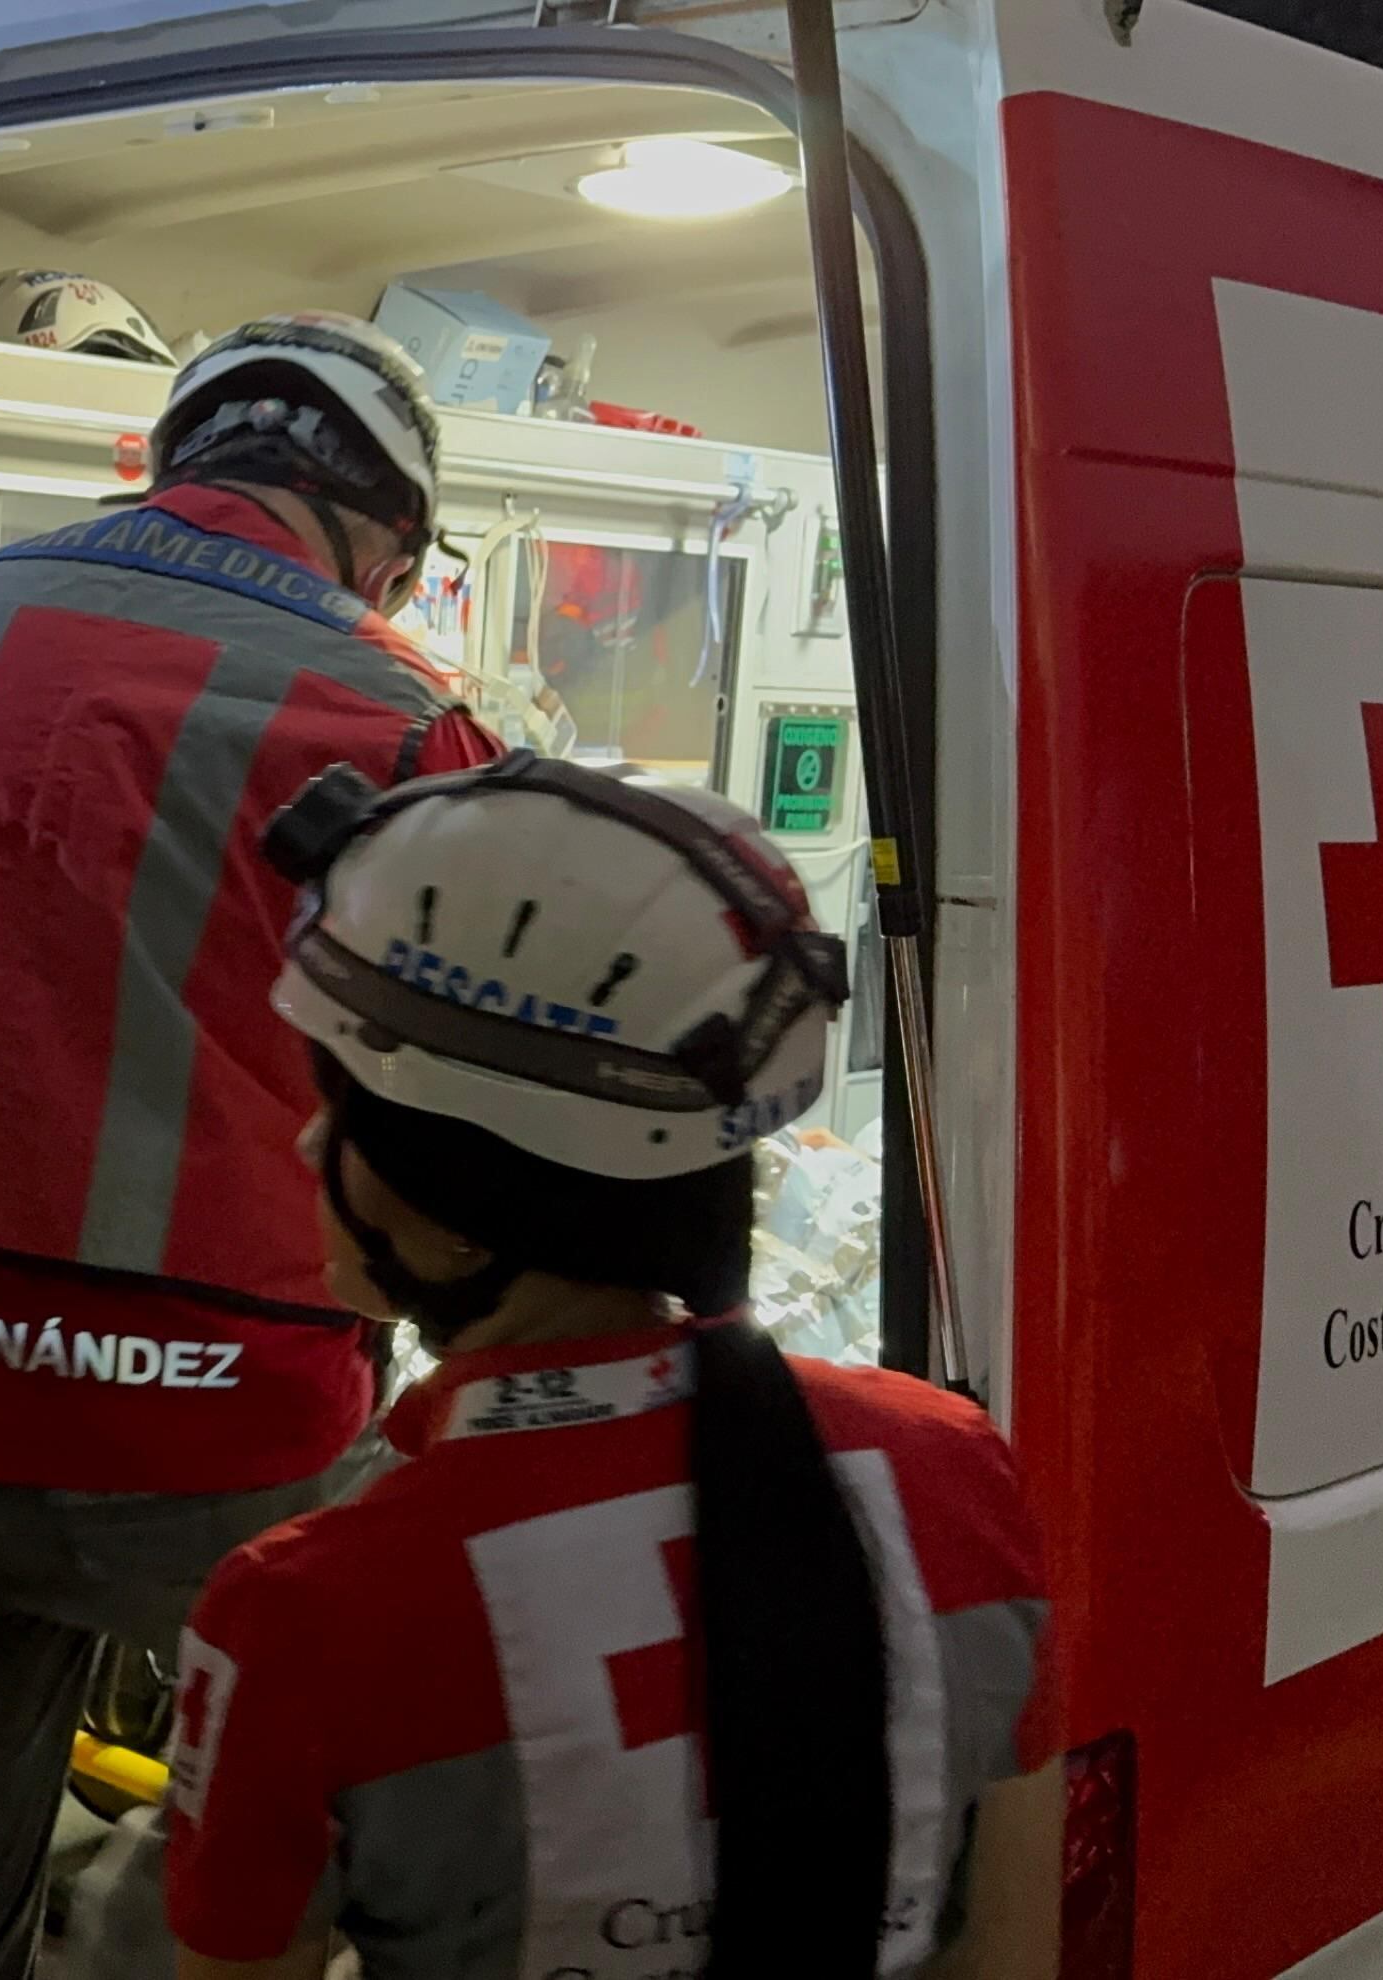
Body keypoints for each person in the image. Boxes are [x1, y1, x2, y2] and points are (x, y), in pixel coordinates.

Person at [0, 311, 506, 1979]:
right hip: (216, 1426)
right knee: (355, 1850)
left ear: (176, 464)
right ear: (388, 540)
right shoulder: (406, 711)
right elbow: (446, 1110)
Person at [163, 756, 1062, 1979]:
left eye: (343, 1110)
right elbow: (1005, 1954)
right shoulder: (952, 1469)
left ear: (453, 1217)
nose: (310, 1140)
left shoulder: (302, 1613)